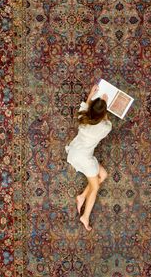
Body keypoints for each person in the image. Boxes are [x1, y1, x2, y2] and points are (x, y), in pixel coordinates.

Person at [65, 85, 112, 231]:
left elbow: (86, 106)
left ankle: (82, 197)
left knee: (103, 175)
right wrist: (104, 105)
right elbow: (105, 119)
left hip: (74, 152)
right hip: (85, 159)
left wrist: (91, 94)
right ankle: (85, 216)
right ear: (103, 114)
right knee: (95, 187)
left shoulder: (83, 116)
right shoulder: (105, 127)